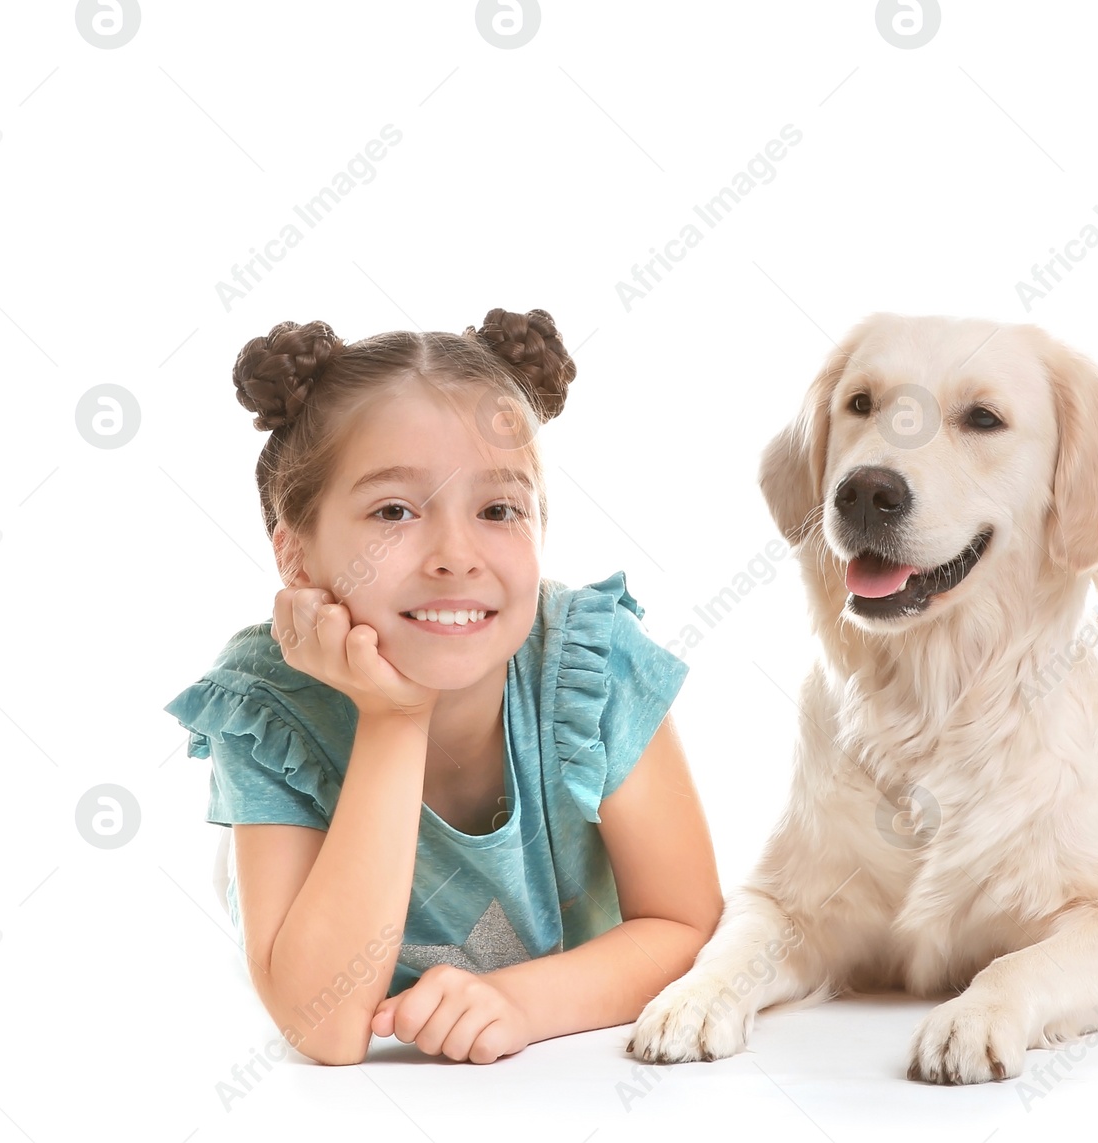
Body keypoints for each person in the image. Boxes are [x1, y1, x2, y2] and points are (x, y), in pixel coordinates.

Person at [163, 310, 722, 1067]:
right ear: (295, 553)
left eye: (499, 509)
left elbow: (685, 925)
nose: (456, 555)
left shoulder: (589, 661)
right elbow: (322, 1026)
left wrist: (521, 1002)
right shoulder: (266, 703)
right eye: (394, 511)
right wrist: (394, 716)